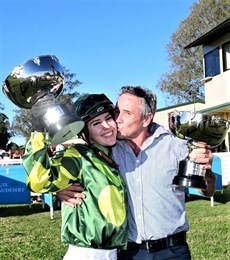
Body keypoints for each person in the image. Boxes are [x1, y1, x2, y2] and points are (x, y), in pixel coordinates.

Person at [58, 86, 216, 260]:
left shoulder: (176, 145)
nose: (117, 119)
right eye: (117, 111)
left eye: (126, 113)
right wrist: (61, 190)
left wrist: (206, 171)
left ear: (146, 119)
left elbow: (207, 190)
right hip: (129, 253)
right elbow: (78, 171)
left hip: (172, 251)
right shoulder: (108, 149)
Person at [23, 93, 128, 260]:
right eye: (96, 123)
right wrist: (37, 130)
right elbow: (38, 182)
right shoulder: (78, 156)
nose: (107, 126)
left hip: (112, 253)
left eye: (109, 118)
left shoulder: (107, 155)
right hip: (87, 254)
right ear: (84, 131)